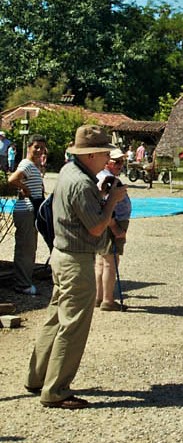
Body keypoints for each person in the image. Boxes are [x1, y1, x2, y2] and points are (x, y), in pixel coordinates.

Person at [25, 125, 128, 409]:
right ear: (93, 154)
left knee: (55, 318)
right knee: (73, 325)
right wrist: (112, 202)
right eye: (105, 152)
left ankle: (37, 377)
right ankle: (56, 389)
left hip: (62, 254)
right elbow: (96, 227)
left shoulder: (69, 172)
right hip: (77, 259)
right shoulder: (81, 183)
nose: (108, 157)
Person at [9, 134, 48, 295]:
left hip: (31, 210)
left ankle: (24, 280)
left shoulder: (33, 165)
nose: (39, 150)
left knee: (29, 247)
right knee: (25, 248)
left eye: (42, 147)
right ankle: (22, 284)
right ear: (29, 147)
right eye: (36, 147)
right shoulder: (26, 164)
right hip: (26, 209)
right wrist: (25, 189)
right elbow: (12, 179)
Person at [95, 149, 132, 311]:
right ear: (107, 162)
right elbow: (105, 205)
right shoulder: (108, 179)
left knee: (101, 261)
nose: (120, 165)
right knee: (111, 261)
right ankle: (108, 300)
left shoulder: (103, 176)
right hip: (113, 222)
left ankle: (99, 297)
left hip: (109, 222)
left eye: (122, 162)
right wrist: (115, 227)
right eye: (116, 162)